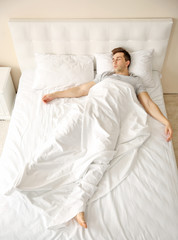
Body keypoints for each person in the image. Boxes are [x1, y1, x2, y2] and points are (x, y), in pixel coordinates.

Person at [42, 47, 173, 228]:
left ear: (127, 62)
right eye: (113, 59)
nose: (114, 61)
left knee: (103, 155)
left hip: (112, 114)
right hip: (91, 108)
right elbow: (81, 89)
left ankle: (78, 204)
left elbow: (148, 103)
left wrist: (166, 121)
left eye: (118, 58)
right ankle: (40, 172)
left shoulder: (135, 81)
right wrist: (54, 94)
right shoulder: (104, 76)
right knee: (62, 138)